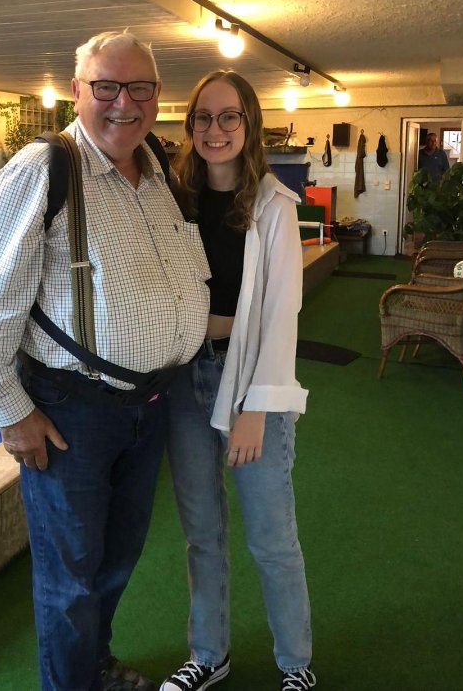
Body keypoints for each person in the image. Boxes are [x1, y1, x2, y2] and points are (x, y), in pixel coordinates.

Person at [0, 31, 210, 691]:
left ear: (157, 94)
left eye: (139, 88)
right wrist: (12, 413)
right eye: (106, 87)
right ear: (76, 91)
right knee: (69, 581)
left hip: (148, 410)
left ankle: (93, 666)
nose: (124, 102)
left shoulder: (158, 171)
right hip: (71, 417)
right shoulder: (43, 170)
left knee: (116, 561)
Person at [160, 70, 316, 691]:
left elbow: (282, 313)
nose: (215, 129)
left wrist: (255, 407)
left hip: (250, 380)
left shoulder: (274, 206)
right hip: (185, 380)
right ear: (190, 125)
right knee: (201, 533)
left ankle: (296, 665)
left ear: (249, 124)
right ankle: (209, 653)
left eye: (229, 117)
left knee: (272, 538)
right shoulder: (173, 201)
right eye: (203, 117)